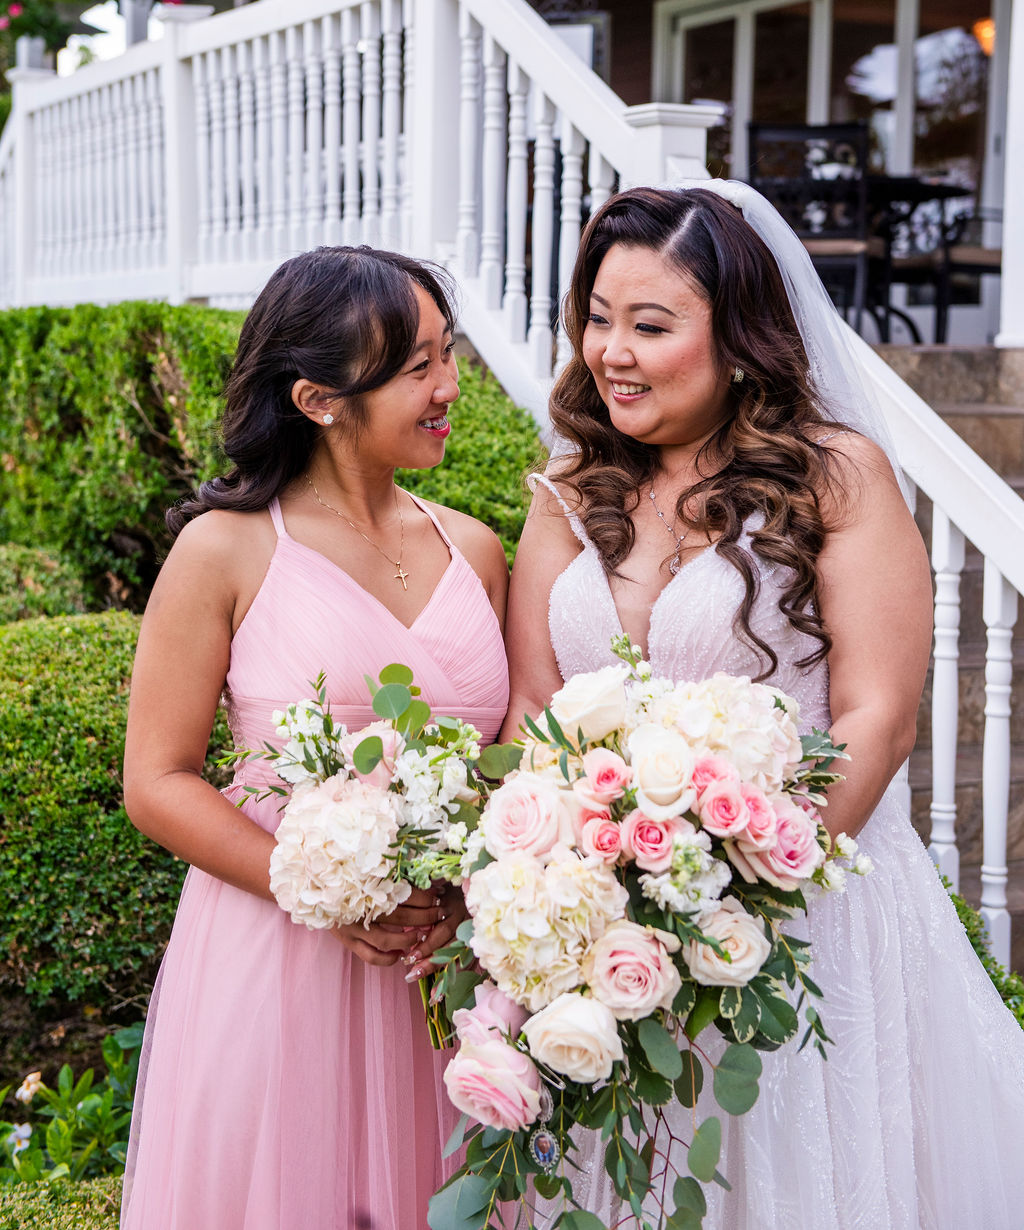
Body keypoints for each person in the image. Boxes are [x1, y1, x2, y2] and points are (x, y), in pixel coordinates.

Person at [502, 184, 1024, 1229]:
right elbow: (532, 708)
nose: (612, 352)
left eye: (651, 325)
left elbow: (877, 714)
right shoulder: (570, 488)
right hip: (605, 928)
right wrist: (551, 885)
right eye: (598, 318)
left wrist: (739, 898)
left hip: (804, 911)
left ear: (739, 338)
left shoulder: (834, 476)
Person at [121, 245, 510, 1230]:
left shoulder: (475, 549)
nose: (449, 386)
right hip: (279, 955)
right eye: (416, 367)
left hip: (445, 964)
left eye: (448, 353)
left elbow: (508, 762)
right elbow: (157, 779)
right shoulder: (225, 549)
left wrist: (469, 889)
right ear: (318, 398)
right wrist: (325, 895)